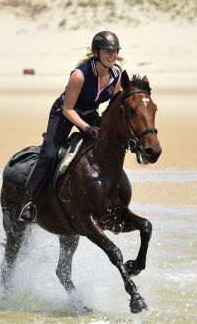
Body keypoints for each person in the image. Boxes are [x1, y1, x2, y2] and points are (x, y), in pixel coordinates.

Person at [18, 30, 124, 223]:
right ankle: (29, 202)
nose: (112, 55)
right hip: (64, 114)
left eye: (115, 51)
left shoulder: (116, 75)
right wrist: (86, 128)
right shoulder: (79, 75)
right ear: (96, 52)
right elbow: (68, 109)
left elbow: (113, 106)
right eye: (107, 51)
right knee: (49, 154)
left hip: (89, 112)